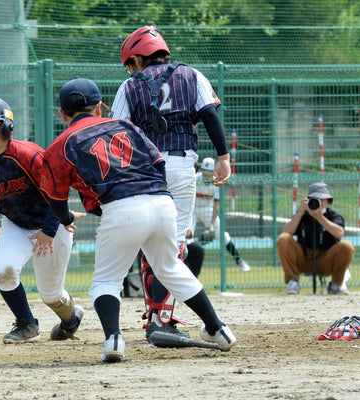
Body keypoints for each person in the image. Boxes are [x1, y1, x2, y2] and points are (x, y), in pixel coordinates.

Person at [41, 77, 236, 362]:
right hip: (162, 202)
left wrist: (67, 216)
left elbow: (56, 200)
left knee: (106, 281)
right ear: (100, 108)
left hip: (121, 209)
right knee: (170, 267)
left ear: (62, 114)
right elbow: (158, 162)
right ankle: (218, 329)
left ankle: (114, 341)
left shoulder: (59, 145)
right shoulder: (125, 126)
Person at [111, 26, 232, 339]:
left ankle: (158, 317)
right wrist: (223, 157)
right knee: (173, 246)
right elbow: (209, 116)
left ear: (138, 57)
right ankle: (161, 319)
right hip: (180, 165)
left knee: (151, 245)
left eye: (130, 63)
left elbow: (117, 133)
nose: (130, 69)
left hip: (144, 169)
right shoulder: (192, 75)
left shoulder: (128, 85)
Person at [0, 95, 84, 344]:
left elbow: (56, 191)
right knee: (4, 271)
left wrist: (50, 229)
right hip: (17, 224)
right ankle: (27, 324)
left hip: (52, 223)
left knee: (51, 295)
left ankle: (71, 319)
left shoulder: (29, 155)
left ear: (6, 128)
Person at [277, 183, 355, 295]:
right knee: (283, 239)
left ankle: (336, 284)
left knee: (347, 246)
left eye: (321, 200)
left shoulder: (333, 216)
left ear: (328, 202)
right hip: (304, 259)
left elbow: (339, 234)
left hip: (326, 260)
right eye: (314, 199)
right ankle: (293, 281)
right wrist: (300, 213)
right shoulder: (301, 215)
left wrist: (319, 216)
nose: (317, 203)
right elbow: (286, 233)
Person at [193, 157, 250, 272]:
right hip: (193, 208)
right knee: (186, 233)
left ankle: (239, 260)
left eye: (209, 172)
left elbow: (216, 205)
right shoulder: (195, 179)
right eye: (205, 171)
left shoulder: (216, 182)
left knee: (222, 235)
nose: (206, 175)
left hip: (208, 209)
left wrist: (212, 226)